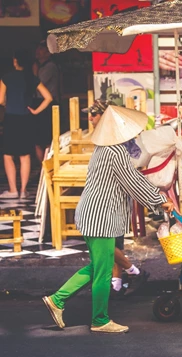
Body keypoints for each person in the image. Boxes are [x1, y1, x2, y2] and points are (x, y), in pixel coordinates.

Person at [42, 105, 174, 333]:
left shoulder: (105, 149)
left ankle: (57, 300)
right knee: (102, 272)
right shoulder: (115, 153)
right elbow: (133, 181)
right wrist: (158, 199)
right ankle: (99, 320)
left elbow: (130, 180)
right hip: (100, 217)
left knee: (97, 267)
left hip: (94, 215)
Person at [83, 99, 150, 297]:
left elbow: (130, 172)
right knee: (111, 242)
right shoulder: (104, 139)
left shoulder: (117, 143)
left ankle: (131, 274)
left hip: (113, 199)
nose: (90, 118)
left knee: (110, 243)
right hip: (106, 199)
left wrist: (156, 200)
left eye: (94, 114)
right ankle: (118, 283)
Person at [0, 49, 52, 199]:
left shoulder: (6, 77)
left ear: (15, 61)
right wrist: (35, 111)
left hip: (11, 118)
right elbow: (48, 97)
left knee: (8, 155)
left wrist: (6, 103)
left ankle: (12, 190)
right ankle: (23, 191)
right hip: (27, 118)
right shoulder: (32, 78)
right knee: (25, 156)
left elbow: (0, 99)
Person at [33, 40, 60, 162]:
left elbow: (38, 82)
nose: (38, 51)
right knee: (38, 138)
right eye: (38, 48)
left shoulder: (50, 66)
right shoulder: (40, 66)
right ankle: (42, 167)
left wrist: (34, 72)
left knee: (47, 137)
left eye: (41, 49)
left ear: (48, 53)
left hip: (49, 105)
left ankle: (48, 166)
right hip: (38, 102)